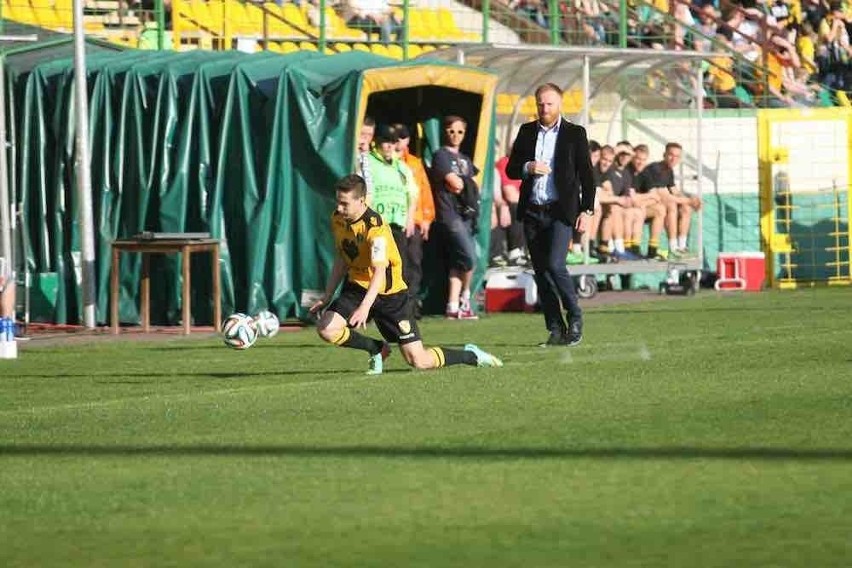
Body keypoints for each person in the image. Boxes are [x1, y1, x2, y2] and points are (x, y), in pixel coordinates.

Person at [310, 175, 502, 375]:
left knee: (419, 360)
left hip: (389, 294)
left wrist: (365, 307)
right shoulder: (338, 219)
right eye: (338, 202)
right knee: (326, 328)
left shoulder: (376, 229)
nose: (339, 208)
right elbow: (342, 257)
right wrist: (327, 296)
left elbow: (379, 272)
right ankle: (376, 348)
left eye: (344, 203)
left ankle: (471, 355)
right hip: (358, 286)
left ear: (362, 201)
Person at [506, 82, 596, 347]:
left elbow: (588, 175)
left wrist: (587, 209)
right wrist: (528, 167)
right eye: (540, 104)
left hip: (560, 210)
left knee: (556, 265)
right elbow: (511, 170)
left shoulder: (575, 133)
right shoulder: (526, 131)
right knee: (542, 272)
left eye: (549, 103)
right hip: (533, 210)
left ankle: (575, 316)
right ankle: (555, 328)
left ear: (560, 104)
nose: (544, 108)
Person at [429, 115, 481, 320]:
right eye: (451, 130)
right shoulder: (441, 156)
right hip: (449, 214)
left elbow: (470, 184)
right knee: (469, 257)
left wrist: (464, 183)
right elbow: (457, 184)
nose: (455, 135)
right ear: (445, 132)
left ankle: (453, 306)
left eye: (460, 131)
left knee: (458, 262)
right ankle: (466, 298)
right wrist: (466, 183)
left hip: (466, 214)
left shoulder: (466, 160)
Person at [392, 123, 434, 319]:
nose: (399, 141)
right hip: (394, 219)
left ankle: (411, 303)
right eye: (396, 137)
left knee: (414, 263)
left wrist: (426, 218)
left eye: (403, 136)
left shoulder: (414, 163)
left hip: (414, 221)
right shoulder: (385, 161)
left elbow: (424, 190)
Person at [638, 142, 702, 258]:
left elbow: (674, 191)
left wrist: (690, 200)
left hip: (657, 203)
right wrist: (688, 201)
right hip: (644, 205)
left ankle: (682, 247)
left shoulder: (669, 170)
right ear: (664, 155)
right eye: (671, 155)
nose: (674, 159)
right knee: (671, 205)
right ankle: (673, 247)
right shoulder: (655, 168)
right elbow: (663, 195)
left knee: (686, 208)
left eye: (677, 156)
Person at [356, 116, 376, 202]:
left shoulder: (373, 156)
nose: (366, 138)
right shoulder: (348, 153)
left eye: (370, 135)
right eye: (362, 134)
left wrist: (365, 155)